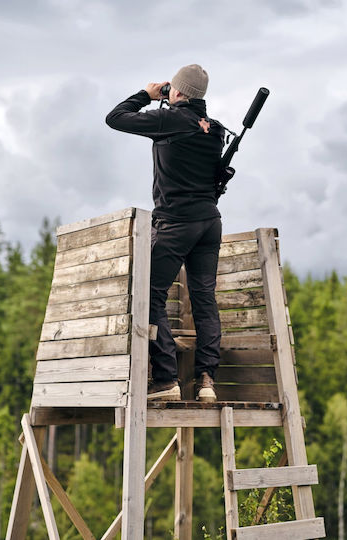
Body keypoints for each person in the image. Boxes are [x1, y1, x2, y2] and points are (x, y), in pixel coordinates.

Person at [105, 64, 225, 402]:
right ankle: (206, 381)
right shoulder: (214, 129)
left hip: (175, 223)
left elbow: (115, 117)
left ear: (179, 90)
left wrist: (146, 94)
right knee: (204, 300)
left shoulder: (171, 120)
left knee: (149, 295)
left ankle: (166, 379)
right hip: (210, 223)